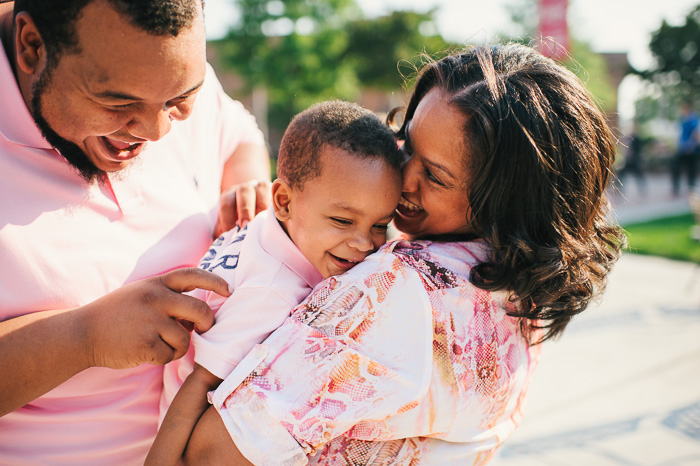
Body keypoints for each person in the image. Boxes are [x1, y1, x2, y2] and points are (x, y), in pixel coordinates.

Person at [179, 43, 625, 465]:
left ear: (503, 202)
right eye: (407, 145)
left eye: (433, 175)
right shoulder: (524, 282)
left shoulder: (396, 288)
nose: (401, 178)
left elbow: (215, 453)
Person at [0, 0, 271, 464]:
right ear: (32, 47)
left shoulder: (159, 65)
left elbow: (237, 132)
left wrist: (247, 190)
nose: (157, 129)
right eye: (118, 104)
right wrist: (84, 336)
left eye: (180, 101)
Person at [146, 100, 403, 465]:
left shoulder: (262, 229)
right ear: (283, 200)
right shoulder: (274, 291)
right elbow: (199, 384)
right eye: (343, 221)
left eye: (380, 224)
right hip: (193, 439)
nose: (365, 243)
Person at [671, 101, 699, 196]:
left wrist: (692, 146)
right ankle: (676, 188)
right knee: (676, 167)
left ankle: (691, 189)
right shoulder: (682, 119)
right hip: (682, 148)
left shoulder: (693, 119)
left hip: (691, 149)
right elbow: (679, 133)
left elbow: (696, 133)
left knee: (691, 169)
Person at [617, 121, 646, 195]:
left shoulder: (637, 139)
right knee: (622, 174)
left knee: (638, 175)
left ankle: (642, 189)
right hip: (629, 160)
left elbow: (638, 150)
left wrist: (634, 155)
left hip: (635, 160)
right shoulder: (629, 138)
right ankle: (618, 189)